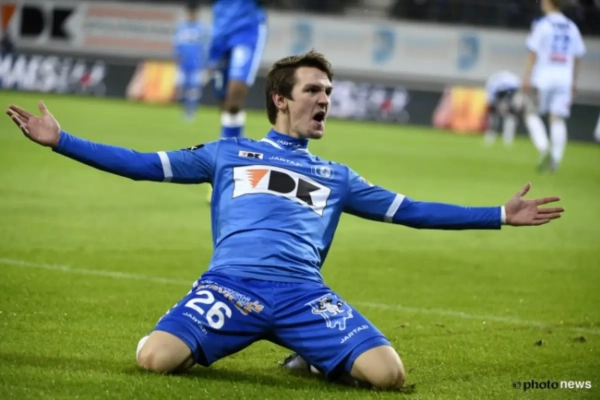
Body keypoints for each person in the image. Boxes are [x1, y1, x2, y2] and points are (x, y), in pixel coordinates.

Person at [6, 51, 564, 391]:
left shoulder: (337, 175)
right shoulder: (227, 154)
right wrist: (63, 141)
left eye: (329, 92)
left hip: (303, 295)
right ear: (280, 99)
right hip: (230, 286)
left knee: (389, 375)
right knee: (155, 360)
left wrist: (498, 215)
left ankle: (312, 357)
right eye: (314, 90)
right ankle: (261, 344)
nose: (325, 100)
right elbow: (142, 165)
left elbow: (412, 211)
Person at [205, 0, 268, 202]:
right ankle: (235, 163)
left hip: (246, 28)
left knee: (235, 96)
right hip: (220, 29)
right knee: (225, 104)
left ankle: (226, 171)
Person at [522, 0, 586, 173]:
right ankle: (555, 161)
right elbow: (578, 55)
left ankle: (544, 150)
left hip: (543, 77)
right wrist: (574, 80)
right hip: (564, 78)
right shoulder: (572, 26)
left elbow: (533, 53)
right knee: (557, 118)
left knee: (530, 113)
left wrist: (526, 77)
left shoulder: (542, 24)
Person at [173, 2, 210, 120]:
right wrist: (177, 59)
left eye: (193, 12)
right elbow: (177, 46)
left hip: (197, 64)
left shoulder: (202, 29)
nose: (191, 15)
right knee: (182, 88)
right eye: (190, 12)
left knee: (194, 89)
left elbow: (206, 47)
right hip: (183, 64)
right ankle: (184, 109)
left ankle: (191, 112)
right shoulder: (181, 27)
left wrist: (205, 64)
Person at [483, 70, 523, 147]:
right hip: (504, 93)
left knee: (509, 116)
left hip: (509, 92)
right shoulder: (493, 84)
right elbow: (491, 100)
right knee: (495, 117)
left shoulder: (495, 83)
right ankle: (493, 137)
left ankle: (506, 138)